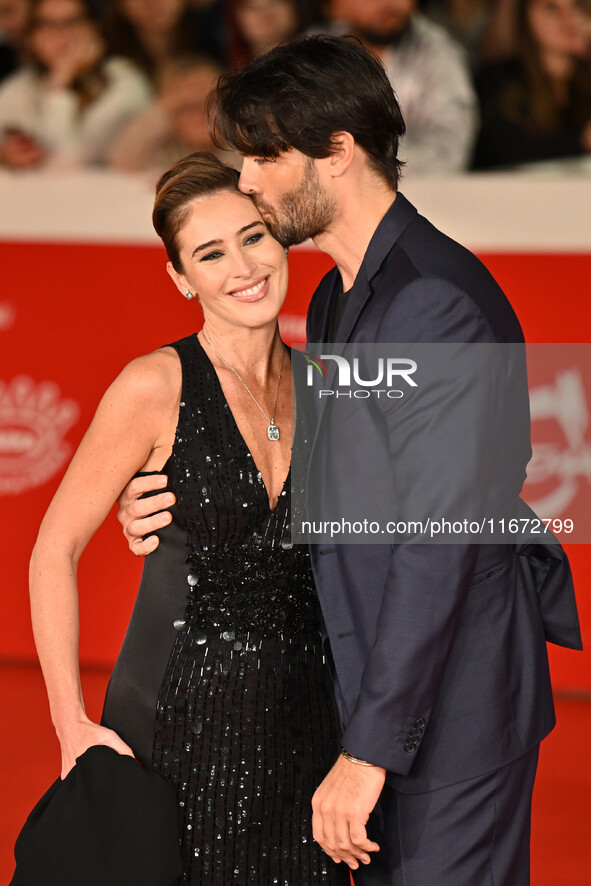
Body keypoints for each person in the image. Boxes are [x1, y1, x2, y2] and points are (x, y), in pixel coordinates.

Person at [119, 36, 582, 885]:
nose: (247, 181)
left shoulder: (431, 303)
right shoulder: (338, 296)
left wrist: (369, 752)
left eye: (263, 155)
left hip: (452, 712)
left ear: (337, 153)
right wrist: (166, 498)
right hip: (377, 687)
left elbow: (435, 542)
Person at [28, 151, 349, 885]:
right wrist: (68, 722)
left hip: (303, 730)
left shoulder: (328, 386)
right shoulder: (153, 385)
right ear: (181, 278)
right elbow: (52, 550)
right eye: (210, 252)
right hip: (173, 725)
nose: (243, 265)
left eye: (254, 236)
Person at [310, 0, 478, 173]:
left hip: (414, 191)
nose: (389, 3)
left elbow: (449, 152)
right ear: (337, 6)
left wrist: (366, 167)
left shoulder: (438, 52)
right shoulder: (314, 50)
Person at [0, 0, 151, 170]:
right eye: (47, 24)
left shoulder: (123, 80)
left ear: (93, 28)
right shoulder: (22, 84)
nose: (60, 34)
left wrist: (61, 82)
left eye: (71, 22)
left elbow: (69, 161)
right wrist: (6, 154)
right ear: (32, 35)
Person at [473, 0, 591, 168]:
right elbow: (503, 152)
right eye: (551, 8)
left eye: (576, 6)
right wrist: (581, 141)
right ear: (526, 15)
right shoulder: (499, 78)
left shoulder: (586, 75)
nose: (567, 17)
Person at [108, 55, 235, 174]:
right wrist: (171, 102)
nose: (200, 115)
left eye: (210, 103)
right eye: (187, 108)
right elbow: (120, 161)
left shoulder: (238, 149)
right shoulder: (165, 152)